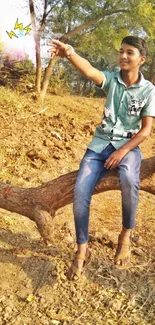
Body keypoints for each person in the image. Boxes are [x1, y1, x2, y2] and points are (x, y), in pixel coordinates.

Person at [48, 36, 155, 280]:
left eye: (129, 52)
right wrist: (69, 53)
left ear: (142, 59)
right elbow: (89, 70)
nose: (123, 56)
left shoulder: (149, 91)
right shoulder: (111, 81)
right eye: (121, 51)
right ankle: (82, 250)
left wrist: (122, 151)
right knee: (80, 192)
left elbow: (146, 131)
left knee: (129, 179)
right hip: (99, 146)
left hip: (127, 147)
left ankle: (126, 234)